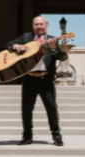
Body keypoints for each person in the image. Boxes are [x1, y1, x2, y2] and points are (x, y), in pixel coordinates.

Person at [7, 16, 67, 146]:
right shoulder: (26, 38)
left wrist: (52, 48)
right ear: (33, 26)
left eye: (41, 24)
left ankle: (57, 136)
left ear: (46, 26)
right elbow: (9, 44)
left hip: (46, 80)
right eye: (36, 24)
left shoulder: (52, 40)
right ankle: (27, 136)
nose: (39, 26)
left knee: (51, 109)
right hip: (29, 79)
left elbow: (60, 56)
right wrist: (17, 46)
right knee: (26, 109)